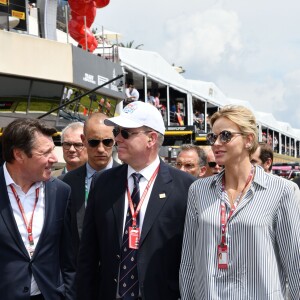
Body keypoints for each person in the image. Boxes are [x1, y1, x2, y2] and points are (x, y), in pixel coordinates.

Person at [76, 101, 195, 300]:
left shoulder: (186, 188)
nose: (118, 139)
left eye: (126, 133)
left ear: (151, 138)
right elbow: (88, 255)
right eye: (117, 132)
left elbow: (192, 259)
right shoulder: (103, 182)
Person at [180, 105, 300, 299]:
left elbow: (294, 264)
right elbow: (188, 260)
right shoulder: (198, 190)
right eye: (213, 137)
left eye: (225, 135)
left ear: (248, 139)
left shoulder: (282, 191)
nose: (216, 143)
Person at [0, 118, 75, 300]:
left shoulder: (60, 192)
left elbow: (69, 259)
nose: (55, 158)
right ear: (19, 155)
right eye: (46, 152)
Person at [62, 113, 120, 259]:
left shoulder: (129, 180)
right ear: (84, 140)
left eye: (107, 142)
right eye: (94, 142)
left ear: (115, 140)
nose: (101, 149)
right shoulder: (65, 183)